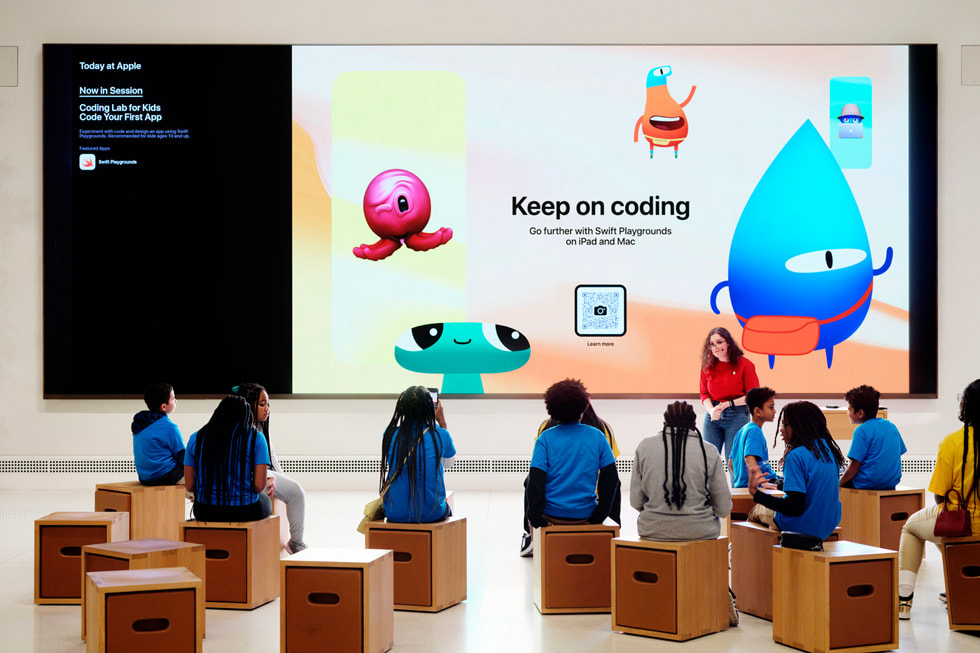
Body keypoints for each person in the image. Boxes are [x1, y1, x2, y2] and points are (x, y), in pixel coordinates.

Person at [630, 401, 736, 624]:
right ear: (694, 424)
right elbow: (724, 507)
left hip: (653, 530)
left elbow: (635, 501)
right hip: (701, 532)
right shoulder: (709, 451)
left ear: (664, 423)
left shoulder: (645, 447)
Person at [896, 379, 980, 620]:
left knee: (912, 527)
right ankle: (957, 586)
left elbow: (939, 496)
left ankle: (904, 600)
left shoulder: (953, 441)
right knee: (940, 535)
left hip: (966, 524)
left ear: (966, 407)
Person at [523, 379, 619, 550]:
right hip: (586, 514)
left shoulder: (545, 439)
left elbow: (535, 481)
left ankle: (531, 543)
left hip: (551, 516)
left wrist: (537, 519)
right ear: (583, 407)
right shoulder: (597, 436)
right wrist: (599, 515)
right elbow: (611, 479)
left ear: (551, 408)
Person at [748, 401, 845, 540]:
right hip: (828, 524)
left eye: (785, 424)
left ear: (800, 427)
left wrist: (757, 495)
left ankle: (738, 554)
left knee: (756, 511)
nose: (781, 429)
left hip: (802, 526)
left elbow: (794, 507)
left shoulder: (795, 456)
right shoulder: (828, 451)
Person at [233, 383, 308, 553]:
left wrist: (282, 482)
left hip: (260, 474)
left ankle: (296, 541)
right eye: (262, 404)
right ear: (247, 404)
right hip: (250, 477)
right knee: (296, 492)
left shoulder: (260, 430)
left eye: (268, 404)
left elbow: (272, 459)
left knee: (293, 490)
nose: (267, 409)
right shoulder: (245, 432)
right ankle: (296, 543)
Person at [183, 395, 272, 522]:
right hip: (243, 510)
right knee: (266, 500)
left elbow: (190, 485)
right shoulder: (256, 438)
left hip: (204, 510)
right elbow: (259, 486)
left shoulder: (196, 438)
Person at [379, 385, 456, 523]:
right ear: (431, 409)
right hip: (431, 514)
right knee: (447, 507)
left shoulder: (389, 434)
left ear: (402, 409)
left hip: (394, 513)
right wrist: (442, 423)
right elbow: (448, 463)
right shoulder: (440, 435)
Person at [700, 326, 760, 466]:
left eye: (719, 342)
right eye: (711, 344)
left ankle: (737, 488)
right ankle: (706, 489)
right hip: (713, 414)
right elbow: (704, 393)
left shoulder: (745, 365)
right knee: (706, 460)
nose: (715, 347)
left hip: (737, 414)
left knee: (734, 461)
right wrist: (711, 410)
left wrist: (729, 404)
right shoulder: (707, 366)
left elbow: (753, 396)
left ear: (728, 343)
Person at [838, 384, 907, 490]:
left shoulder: (861, 431)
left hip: (866, 484)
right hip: (890, 483)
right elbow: (898, 453)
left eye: (849, 409)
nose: (848, 413)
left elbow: (854, 467)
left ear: (860, 413)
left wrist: (839, 483)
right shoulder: (891, 426)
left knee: (838, 484)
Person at [132, 383, 185, 486]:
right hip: (166, 475)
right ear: (164, 407)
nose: (176, 401)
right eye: (173, 399)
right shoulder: (169, 427)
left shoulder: (140, 423)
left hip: (145, 478)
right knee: (200, 479)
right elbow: (182, 455)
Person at [730, 387, 781, 489]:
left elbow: (731, 463)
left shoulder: (742, 431)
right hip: (765, 481)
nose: (774, 411)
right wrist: (763, 483)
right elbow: (749, 458)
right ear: (757, 411)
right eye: (771, 407)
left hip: (746, 484)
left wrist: (740, 482)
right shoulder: (755, 431)